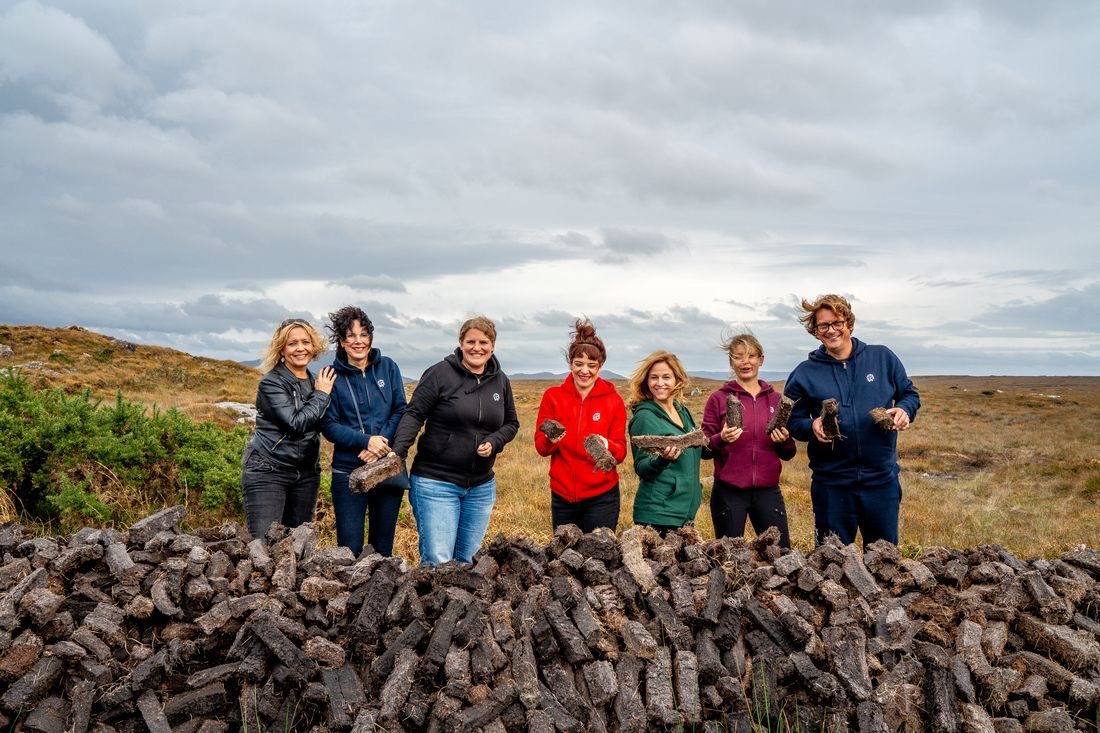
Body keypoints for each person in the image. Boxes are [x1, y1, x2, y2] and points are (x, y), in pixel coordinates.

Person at [783, 294, 920, 547]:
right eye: (823, 325)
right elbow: (791, 420)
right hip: (831, 485)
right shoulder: (804, 373)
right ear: (815, 331)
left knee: (884, 561)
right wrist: (811, 427)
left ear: (849, 323)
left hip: (881, 481)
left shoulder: (882, 358)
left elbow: (909, 394)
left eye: (837, 322)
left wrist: (904, 409)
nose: (831, 330)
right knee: (829, 563)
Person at [390, 316, 519, 564]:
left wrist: (495, 441)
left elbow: (511, 423)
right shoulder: (440, 374)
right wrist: (398, 452)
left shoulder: (500, 380)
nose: (477, 348)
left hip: (480, 487)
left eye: (483, 342)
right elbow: (414, 413)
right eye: (470, 341)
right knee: (439, 562)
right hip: (436, 483)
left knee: (468, 562)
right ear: (461, 343)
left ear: (492, 345)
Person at [321, 306, 408, 557]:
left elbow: (400, 410)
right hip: (348, 470)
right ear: (341, 340)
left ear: (371, 337)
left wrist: (381, 445)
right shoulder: (331, 376)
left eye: (363, 334)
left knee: (382, 550)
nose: (358, 341)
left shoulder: (388, 367)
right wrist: (366, 441)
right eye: (351, 335)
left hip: (387, 467)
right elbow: (329, 425)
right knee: (349, 550)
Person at [241, 318, 335, 538]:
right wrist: (322, 395)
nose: (300, 348)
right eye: (292, 343)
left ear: (314, 346)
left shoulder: (315, 381)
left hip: (306, 474)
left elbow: (327, 424)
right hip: (268, 470)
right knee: (264, 546)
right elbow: (295, 423)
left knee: (297, 547)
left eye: (306, 342)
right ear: (281, 349)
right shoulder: (271, 383)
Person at [701, 333, 797, 548]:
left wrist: (784, 441)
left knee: (781, 554)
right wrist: (721, 439)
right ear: (731, 362)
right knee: (729, 557)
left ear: (761, 359)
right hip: (728, 491)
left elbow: (788, 453)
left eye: (751, 356)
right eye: (738, 357)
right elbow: (704, 449)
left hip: (767, 490)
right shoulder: (718, 399)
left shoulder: (776, 399)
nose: (745, 362)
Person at [534, 319, 627, 533]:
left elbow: (621, 453)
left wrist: (607, 445)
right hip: (562, 496)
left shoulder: (613, 401)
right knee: (565, 559)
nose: (584, 371)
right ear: (570, 363)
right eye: (578, 364)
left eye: (591, 366)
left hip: (602, 496)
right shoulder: (553, 397)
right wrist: (551, 440)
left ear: (600, 367)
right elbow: (541, 448)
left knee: (600, 559)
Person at [628, 350, 707, 535]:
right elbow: (641, 467)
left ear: (677, 380)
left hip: (684, 511)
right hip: (658, 513)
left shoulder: (682, 411)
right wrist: (662, 459)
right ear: (647, 382)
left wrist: (724, 439)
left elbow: (698, 448)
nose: (660, 383)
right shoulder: (644, 417)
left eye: (666, 377)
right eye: (654, 377)